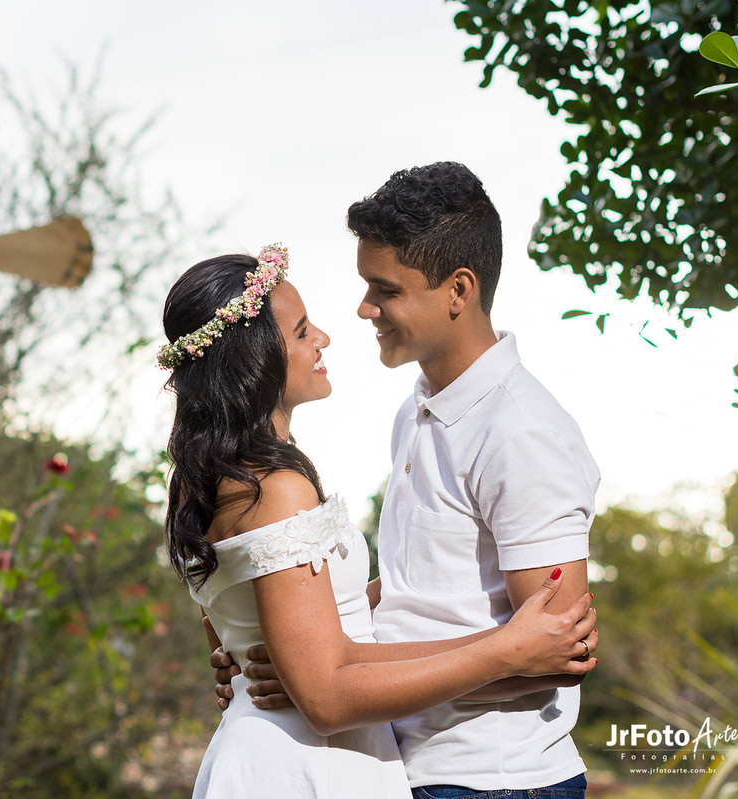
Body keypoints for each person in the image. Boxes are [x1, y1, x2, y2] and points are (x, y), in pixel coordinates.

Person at [213, 163, 602, 798]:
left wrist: (331, 676)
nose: (364, 308)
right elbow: (413, 589)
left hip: (491, 781)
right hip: (403, 763)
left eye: (384, 289)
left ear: (459, 289)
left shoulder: (521, 431)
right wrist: (295, 640)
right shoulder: (419, 407)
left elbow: (559, 653)